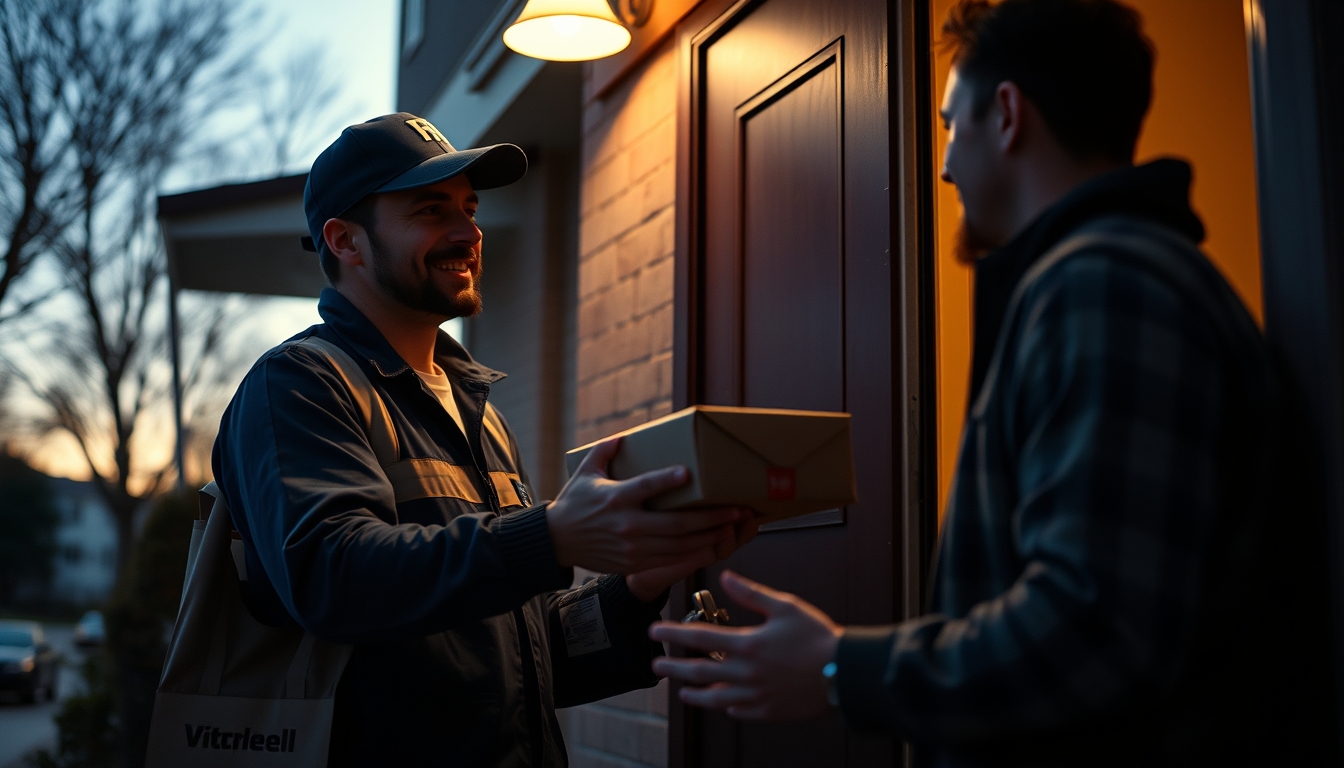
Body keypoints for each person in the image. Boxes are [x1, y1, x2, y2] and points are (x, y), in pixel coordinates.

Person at [649, 0, 1332, 764]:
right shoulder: (1106, 279)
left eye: (948, 125)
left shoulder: (1106, 287)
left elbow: (1096, 629)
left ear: (1007, 114)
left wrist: (843, 667)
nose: (942, 165)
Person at [212, 113, 757, 767]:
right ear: (346, 241)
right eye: (431, 210)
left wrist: (636, 586)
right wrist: (550, 535)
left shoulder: (478, 411)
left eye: (469, 209)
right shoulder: (297, 385)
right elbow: (333, 578)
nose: (468, 232)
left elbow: (524, 658)